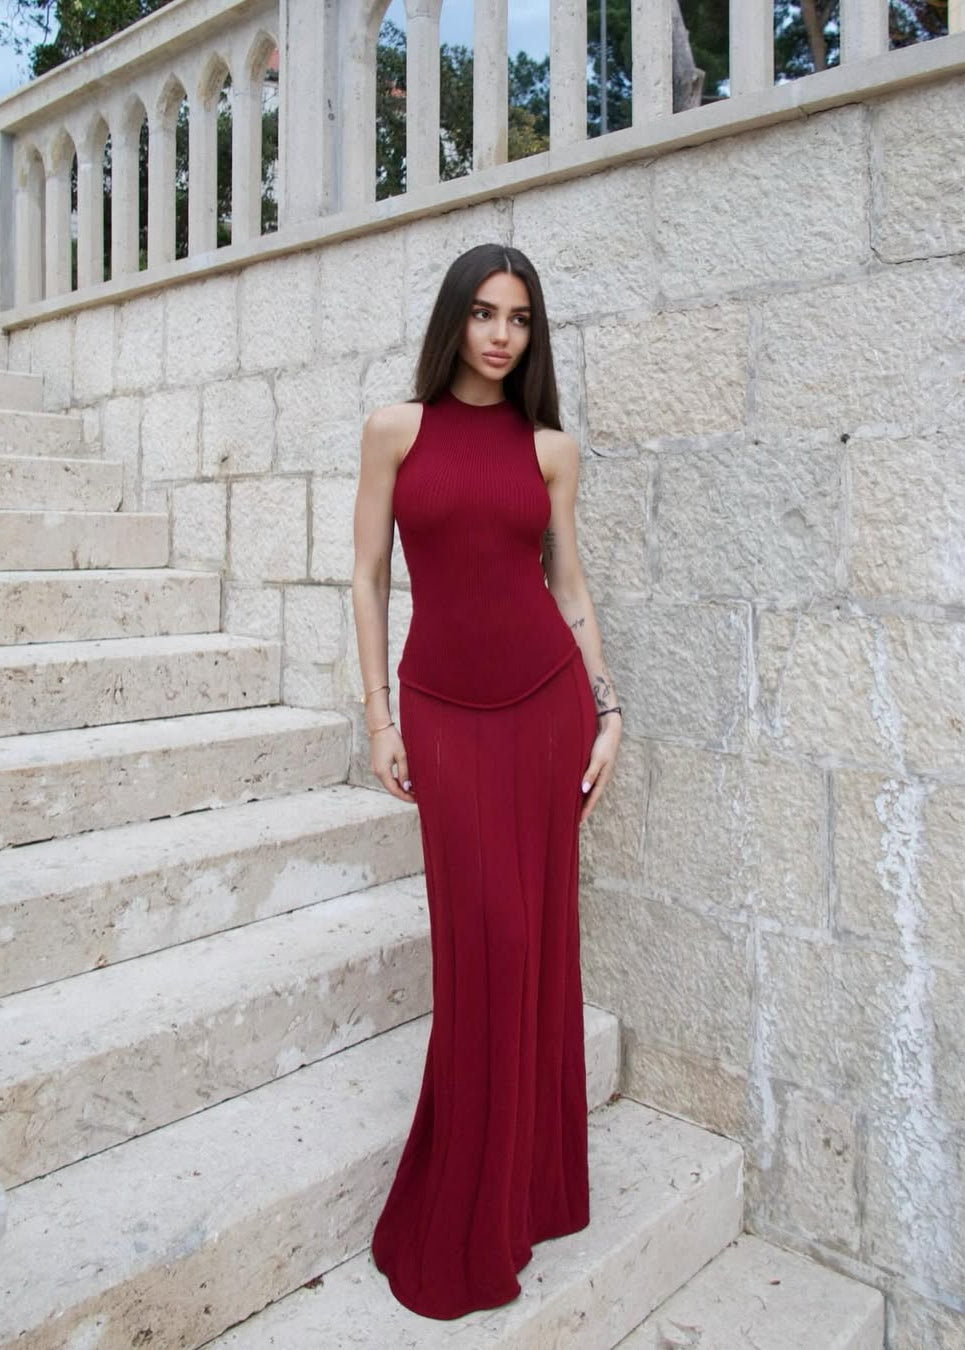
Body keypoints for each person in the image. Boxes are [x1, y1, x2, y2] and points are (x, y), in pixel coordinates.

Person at [350, 243, 622, 1320]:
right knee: (488, 947)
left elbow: (571, 587)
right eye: (480, 313)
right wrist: (375, 716)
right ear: (452, 323)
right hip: (442, 715)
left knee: (537, 942)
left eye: (517, 317)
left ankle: (531, 1191)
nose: (500, 334)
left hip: (546, 710)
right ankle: (465, 1203)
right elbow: (368, 576)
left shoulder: (550, 449)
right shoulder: (393, 431)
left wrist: (609, 712)